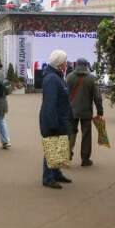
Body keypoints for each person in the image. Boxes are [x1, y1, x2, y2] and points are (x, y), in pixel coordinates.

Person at [40, 50, 73, 189]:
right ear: (60, 63)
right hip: (54, 120)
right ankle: (48, 178)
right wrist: (52, 123)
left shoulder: (56, 77)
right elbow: (50, 103)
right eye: (65, 61)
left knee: (58, 147)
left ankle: (56, 173)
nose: (67, 63)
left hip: (60, 118)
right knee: (52, 147)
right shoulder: (52, 79)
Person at [66, 58, 103, 167]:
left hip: (71, 110)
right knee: (86, 135)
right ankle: (85, 159)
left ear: (76, 65)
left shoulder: (69, 77)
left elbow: (64, 94)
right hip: (86, 111)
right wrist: (100, 111)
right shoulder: (91, 78)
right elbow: (97, 97)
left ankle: (67, 154)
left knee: (71, 133)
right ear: (86, 65)